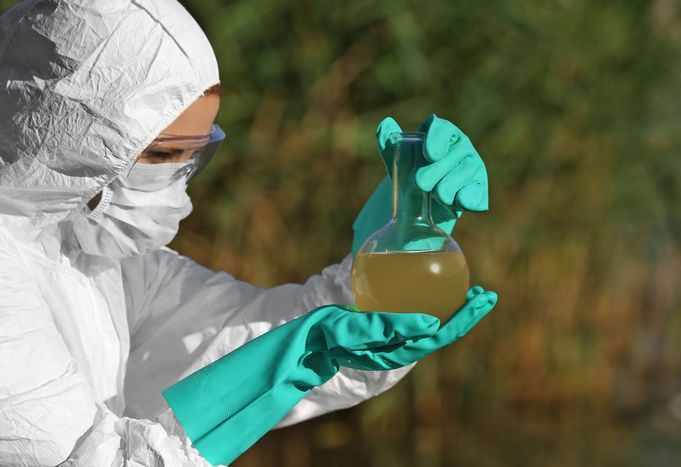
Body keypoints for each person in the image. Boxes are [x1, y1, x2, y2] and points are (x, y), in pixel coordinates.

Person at [0, 1, 497, 466]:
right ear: (64, 144)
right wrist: (301, 352)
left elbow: (241, 336)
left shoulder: (96, 253)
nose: (177, 179)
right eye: (160, 155)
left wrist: (381, 274)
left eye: (193, 154)